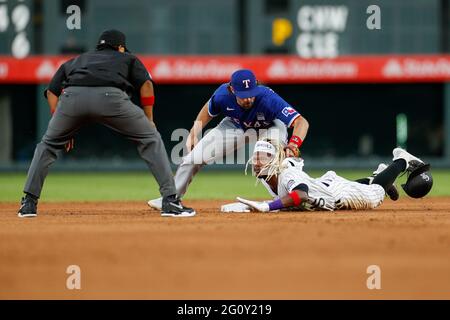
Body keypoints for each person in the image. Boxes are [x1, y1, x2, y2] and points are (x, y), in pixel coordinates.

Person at [18, 29, 195, 218]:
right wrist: (149, 120)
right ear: (120, 47)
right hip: (111, 98)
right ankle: (170, 200)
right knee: (150, 138)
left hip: (71, 99)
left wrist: (59, 122)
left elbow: (52, 91)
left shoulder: (78, 59)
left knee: (47, 145)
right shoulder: (127, 58)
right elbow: (147, 85)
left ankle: (28, 203)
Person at [148, 69, 310, 209]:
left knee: (272, 162)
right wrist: (193, 133)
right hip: (235, 125)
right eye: (243, 95)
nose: (248, 99)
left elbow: (301, 121)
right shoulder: (222, 95)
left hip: (270, 127)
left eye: (251, 94)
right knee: (194, 157)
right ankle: (170, 199)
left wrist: (293, 143)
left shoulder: (267, 97)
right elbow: (208, 110)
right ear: (231, 89)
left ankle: (291, 195)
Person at [228, 139, 433, 213]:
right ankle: (378, 175)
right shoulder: (270, 180)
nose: (256, 162)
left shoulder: (286, 173)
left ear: (274, 160)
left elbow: (300, 195)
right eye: (255, 157)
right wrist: (248, 207)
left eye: (262, 157)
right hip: (324, 186)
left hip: (337, 193)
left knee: (374, 196)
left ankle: (401, 160)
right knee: (366, 188)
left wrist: (267, 206)